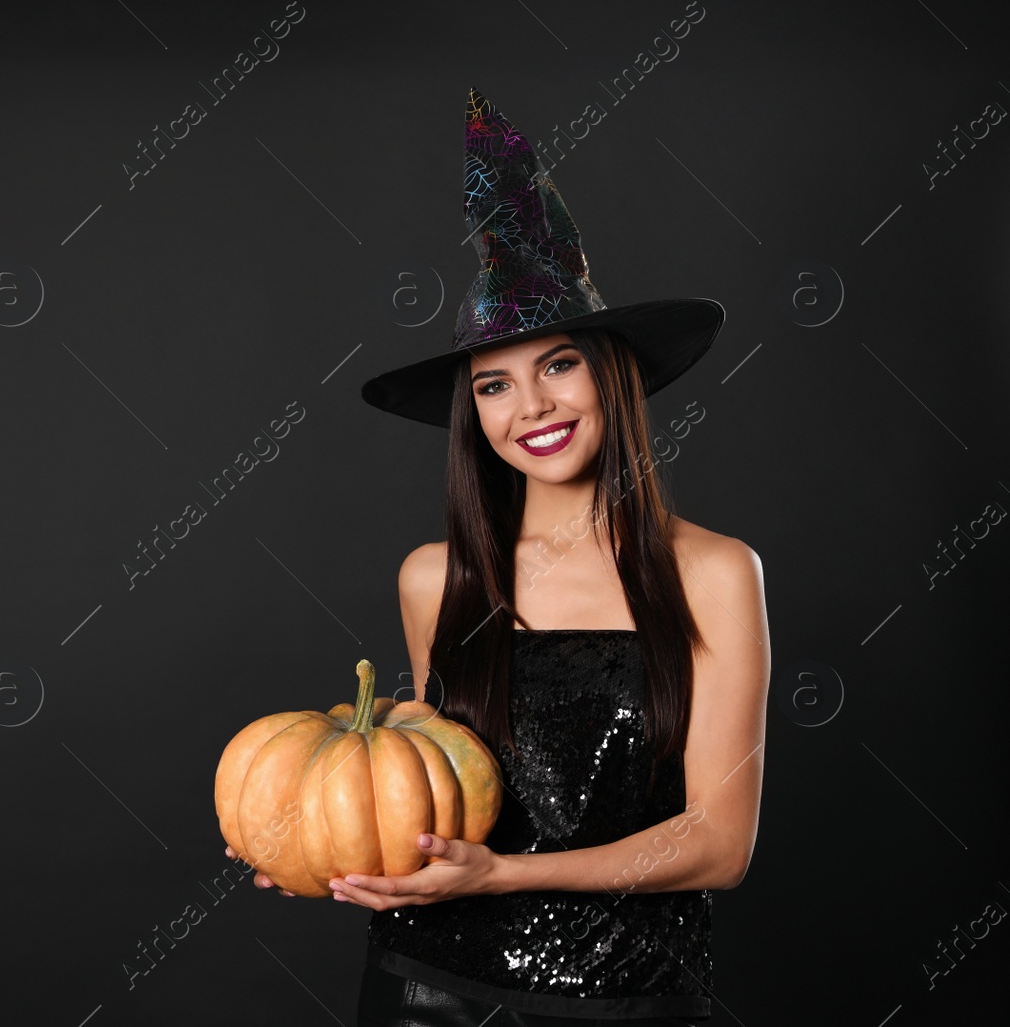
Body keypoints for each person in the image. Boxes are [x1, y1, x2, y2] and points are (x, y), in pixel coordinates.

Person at [224, 88, 767, 1025]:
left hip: (625, 996)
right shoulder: (433, 577)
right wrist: (310, 824)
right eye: (494, 384)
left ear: (613, 371)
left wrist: (502, 873)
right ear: (474, 414)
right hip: (425, 988)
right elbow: (435, 773)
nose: (533, 408)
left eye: (558, 364)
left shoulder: (715, 573)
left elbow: (719, 843)